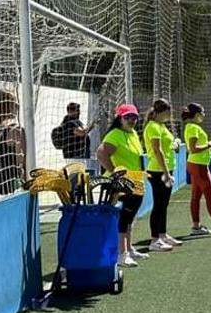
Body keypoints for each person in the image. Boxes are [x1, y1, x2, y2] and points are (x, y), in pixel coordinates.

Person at [97, 103, 148, 268]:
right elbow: (101, 152)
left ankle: (129, 248)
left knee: (131, 217)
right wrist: (114, 173)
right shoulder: (115, 134)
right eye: (128, 117)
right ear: (120, 118)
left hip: (136, 179)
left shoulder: (133, 133)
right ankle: (122, 253)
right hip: (123, 182)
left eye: (134, 117)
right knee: (124, 218)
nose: (132, 120)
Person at [182, 103, 211, 237]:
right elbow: (193, 148)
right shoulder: (193, 128)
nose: (204, 115)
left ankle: (196, 227)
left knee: (196, 197)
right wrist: (210, 144)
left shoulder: (191, 127)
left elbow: (195, 147)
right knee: (210, 197)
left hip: (196, 164)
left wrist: (208, 146)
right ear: (196, 115)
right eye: (202, 113)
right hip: (199, 166)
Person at [143, 98, 183, 253]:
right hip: (158, 171)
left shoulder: (161, 126)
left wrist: (175, 145)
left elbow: (167, 146)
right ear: (162, 112)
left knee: (164, 204)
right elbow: (157, 150)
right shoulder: (153, 127)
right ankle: (154, 240)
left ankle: (163, 235)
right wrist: (166, 173)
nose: (170, 115)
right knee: (158, 205)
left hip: (166, 170)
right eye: (168, 112)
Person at [52, 102, 97, 168]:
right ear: (69, 111)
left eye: (78, 110)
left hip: (80, 156)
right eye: (76, 110)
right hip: (75, 157)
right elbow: (81, 133)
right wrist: (93, 124)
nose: (78, 112)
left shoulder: (76, 122)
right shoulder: (69, 123)